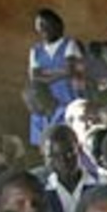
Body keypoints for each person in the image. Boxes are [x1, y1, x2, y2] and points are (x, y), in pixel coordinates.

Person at [27, 8, 84, 145]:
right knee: (48, 138)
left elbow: (71, 70)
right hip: (47, 102)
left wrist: (46, 75)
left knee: (73, 136)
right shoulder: (36, 51)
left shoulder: (69, 44)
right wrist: (61, 73)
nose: (42, 30)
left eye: (45, 25)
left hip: (69, 98)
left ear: (57, 25)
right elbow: (34, 77)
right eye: (39, 26)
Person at [40, 124, 97, 212]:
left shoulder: (100, 183)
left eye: (69, 152)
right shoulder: (39, 190)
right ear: (43, 156)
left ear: (79, 149)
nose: (63, 161)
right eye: (53, 156)